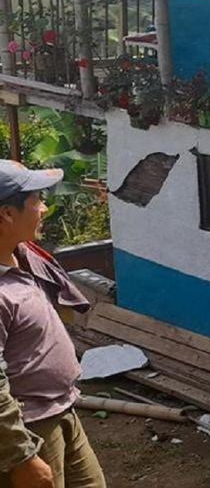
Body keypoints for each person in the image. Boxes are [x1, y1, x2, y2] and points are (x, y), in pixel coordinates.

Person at [0, 161, 105, 488]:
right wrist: (22, 456)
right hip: (30, 426)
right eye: (36, 201)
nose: (44, 209)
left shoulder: (23, 256)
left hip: (62, 410)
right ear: (6, 213)